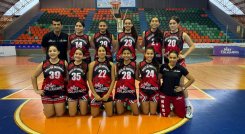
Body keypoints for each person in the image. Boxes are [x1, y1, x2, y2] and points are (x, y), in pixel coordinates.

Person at [163, 16, 195, 118]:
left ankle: (188, 105)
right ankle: (173, 102)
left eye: (174, 23)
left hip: (179, 62)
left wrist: (184, 55)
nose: (172, 25)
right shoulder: (165, 34)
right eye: (170, 23)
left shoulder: (183, 34)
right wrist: (164, 54)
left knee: (181, 84)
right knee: (168, 82)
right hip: (168, 62)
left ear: (178, 24)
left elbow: (193, 46)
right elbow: (164, 47)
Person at [31, 44, 68, 118]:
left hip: (60, 92)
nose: (52, 52)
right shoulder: (44, 63)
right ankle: (50, 108)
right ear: (48, 53)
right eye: (50, 51)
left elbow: (67, 77)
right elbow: (33, 76)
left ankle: (64, 105)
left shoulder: (64, 63)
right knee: (49, 115)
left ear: (58, 52)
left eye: (54, 51)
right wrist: (36, 90)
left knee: (60, 114)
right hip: (47, 93)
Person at [158, 50, 195, 118]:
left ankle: (176, 106)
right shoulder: (163, 67)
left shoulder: (181, 68)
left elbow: (192, 79)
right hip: (165, 94)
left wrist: (182, 88)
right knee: (164, 115)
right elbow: (158, 78)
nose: (172, 59)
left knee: (181, 115)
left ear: (177, 58)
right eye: (171, 57)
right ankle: (170, 106)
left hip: (176, 94)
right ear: (168, 57)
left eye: (174, 58)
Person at [88, 45, 115, 117]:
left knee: (109, 115)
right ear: (97, 53)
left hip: (106, 92)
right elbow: (89, 80)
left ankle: (109, 104)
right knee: (94, 115)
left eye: (103, 51)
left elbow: (113, 80)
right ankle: (98, 105)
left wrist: (108, 94)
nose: (101, 52)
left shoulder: (111, 64)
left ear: (106, 52)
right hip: (96, 92)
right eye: (99, 51)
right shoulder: (92, 64)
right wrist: (94, 94)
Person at [115, 47, 139, 115]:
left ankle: (128, 104)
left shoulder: (135, 64)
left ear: (131, 55)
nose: (126, 55)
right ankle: (122, 104)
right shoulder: (118, 64)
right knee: (120, 112)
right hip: (120, 91)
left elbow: (137, 77)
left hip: (131, 91)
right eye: (124, 53)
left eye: (128, 53)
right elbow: (116, 78)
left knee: (136, 113)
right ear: (122, 55)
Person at [137, 47, 159, 115]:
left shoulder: (157, 64)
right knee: (145, 112)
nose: (149, 55)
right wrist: (144, 81)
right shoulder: (140, 64)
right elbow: (137, 76)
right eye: (148, 53)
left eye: (151, 53)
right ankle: (140, 105)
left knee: (152, 112)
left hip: (154, 90)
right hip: (144, 90)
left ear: (154, 54)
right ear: (145, 54)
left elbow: (158, 78)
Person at [67, 48, 89, 116]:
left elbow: (87, 79)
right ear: (73, 55)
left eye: (80, 54)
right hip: (72, 92)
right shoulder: (69, 65)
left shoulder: (86, 65)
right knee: (72, 114)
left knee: (83, 113)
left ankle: (88, 104)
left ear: (83, 56)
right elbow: (67, 79)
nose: (78, 55)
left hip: (82, 92)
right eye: (76, 54)